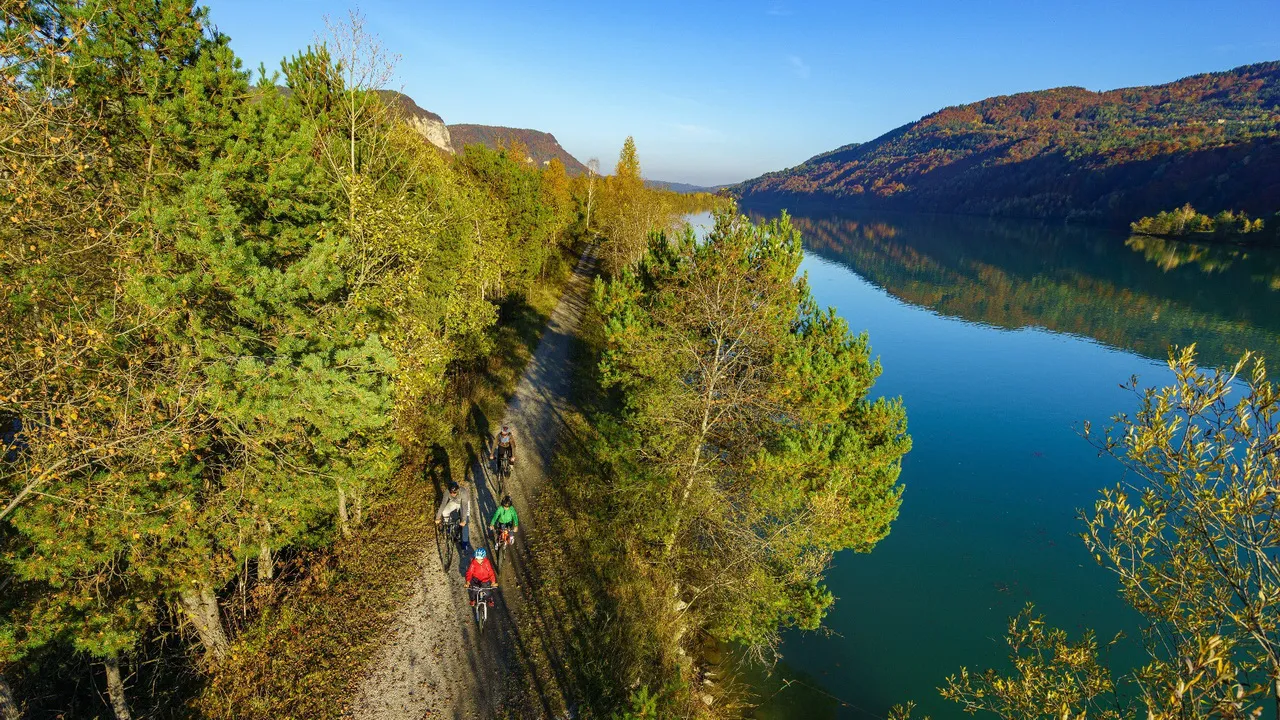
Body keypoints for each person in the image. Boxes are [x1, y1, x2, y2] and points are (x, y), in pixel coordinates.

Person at [434, 481, 471, 550]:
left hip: (464, 502)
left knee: (465, 522)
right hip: (454, 502)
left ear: (458, 490)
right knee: (445, 512)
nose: (453, 494)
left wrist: (463, 520)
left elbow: (465, 507)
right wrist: (438, 517)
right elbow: (443, 504)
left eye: (454, 492)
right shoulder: (447, 492)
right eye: (451, 492)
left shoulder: (463, 493)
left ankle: (465, 543)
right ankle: (448, 527)